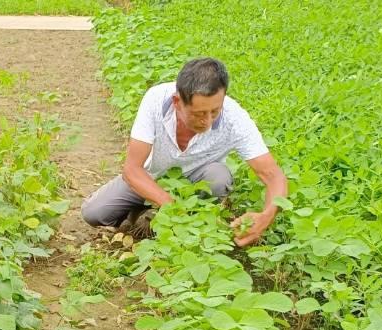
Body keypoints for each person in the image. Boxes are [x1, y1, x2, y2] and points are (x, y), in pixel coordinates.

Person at [81, 57, 287, 246]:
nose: (208, 121)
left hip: (197, 182)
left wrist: (267, 215)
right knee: (94, 213)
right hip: (150, 177)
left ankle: (188, 221)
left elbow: (273, 175)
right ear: (177, 103)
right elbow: (132, 170)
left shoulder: (235, 118)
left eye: (215, 111)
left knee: (219, 177)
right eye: (199, 114)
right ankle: (145, 211)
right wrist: (172, 206)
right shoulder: (155, 100)